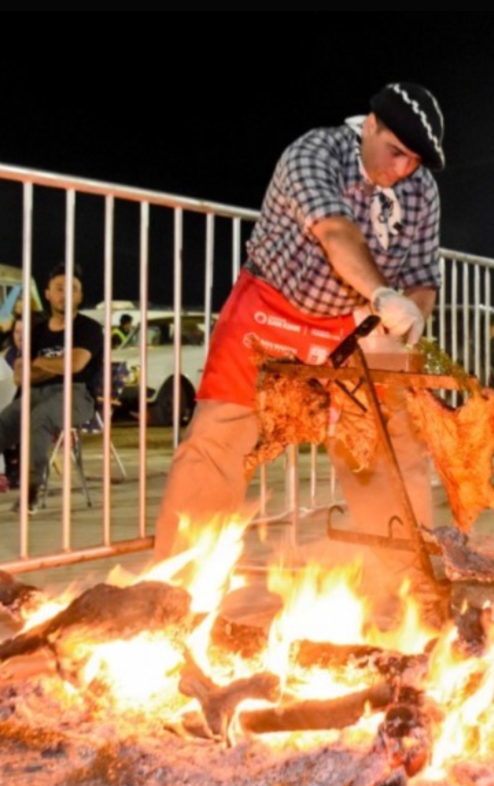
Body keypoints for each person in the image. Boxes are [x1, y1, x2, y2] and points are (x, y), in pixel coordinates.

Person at [152, 82, 447, 619]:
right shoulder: (315, 152)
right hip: (272, 312)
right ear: (371, 125)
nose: (403, 169)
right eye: (397, 153)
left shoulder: (421, 189)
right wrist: (381, 292)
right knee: (217, 445)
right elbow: (336, 233)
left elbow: (425, 275)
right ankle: (175, 590)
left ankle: (408, 587)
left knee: (387, 449)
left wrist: (411, 318)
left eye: (415, 160)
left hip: (356, 327)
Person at [0, 262, 105, 517]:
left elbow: (75, 364)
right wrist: (52, 366)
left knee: (39, 419)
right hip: (33, 394)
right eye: (59, 288)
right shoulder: (38, 331)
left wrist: (38, 364)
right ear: (47, 293)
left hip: (77, 394)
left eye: (73, 289)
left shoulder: (88, 328)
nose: (66, 294)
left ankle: (31, 492)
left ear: (80, 295)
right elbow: (20, 377)